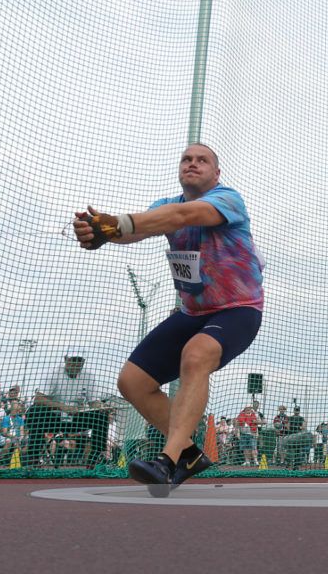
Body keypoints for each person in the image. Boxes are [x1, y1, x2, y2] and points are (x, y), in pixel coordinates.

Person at [73, 143, 263, 492]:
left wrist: (118, 224)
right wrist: (102, 234)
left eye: (202, 160)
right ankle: (191, 454)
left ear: (216, 173)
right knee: (132, 382)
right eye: (186, 159)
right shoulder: (163, 206)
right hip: (192, 313)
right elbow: (139, 230)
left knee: (196, 354)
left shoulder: (228, 200)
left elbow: (182, 218)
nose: (193, 164)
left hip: (239, 310)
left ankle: (168, 459)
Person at [26, 354, 113, 468]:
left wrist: (102, 406)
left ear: (83, 361)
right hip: (53, 418)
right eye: (73, 360)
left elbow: (93, 402)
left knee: (101, 416)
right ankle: (34, 459)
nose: (76, 364)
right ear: (65, 359)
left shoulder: (88, 376)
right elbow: (38, 398)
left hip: (76, 419)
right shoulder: (53, 373)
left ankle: (95, 459)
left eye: (79, 360)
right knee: (35, 412)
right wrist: (63, 407)